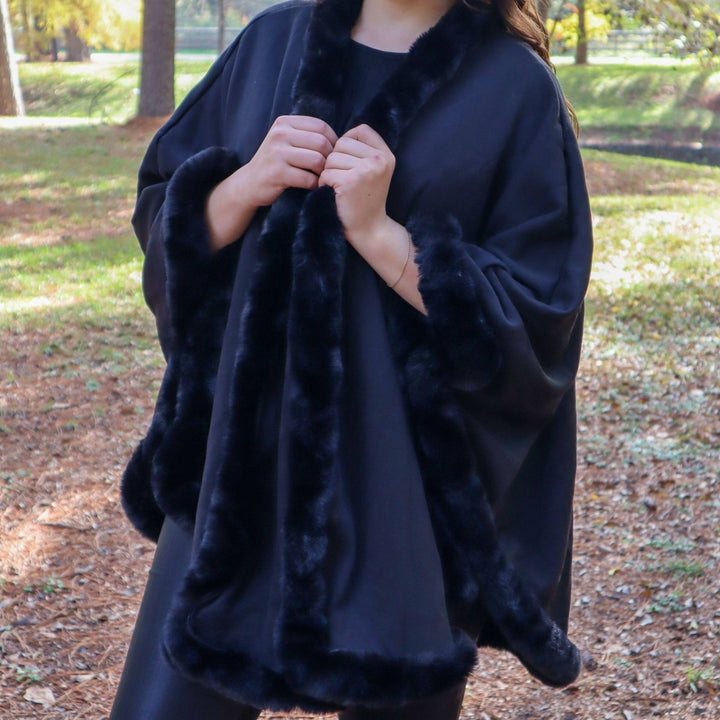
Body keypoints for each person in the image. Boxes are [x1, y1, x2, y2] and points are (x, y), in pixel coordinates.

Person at [110, 0, 593, 717]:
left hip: (407, 495)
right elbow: (164, 214)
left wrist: (379, 233)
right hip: (237, 470)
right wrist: (244, 186)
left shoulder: (515, 88)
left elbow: (535, 315)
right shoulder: (272, 41)